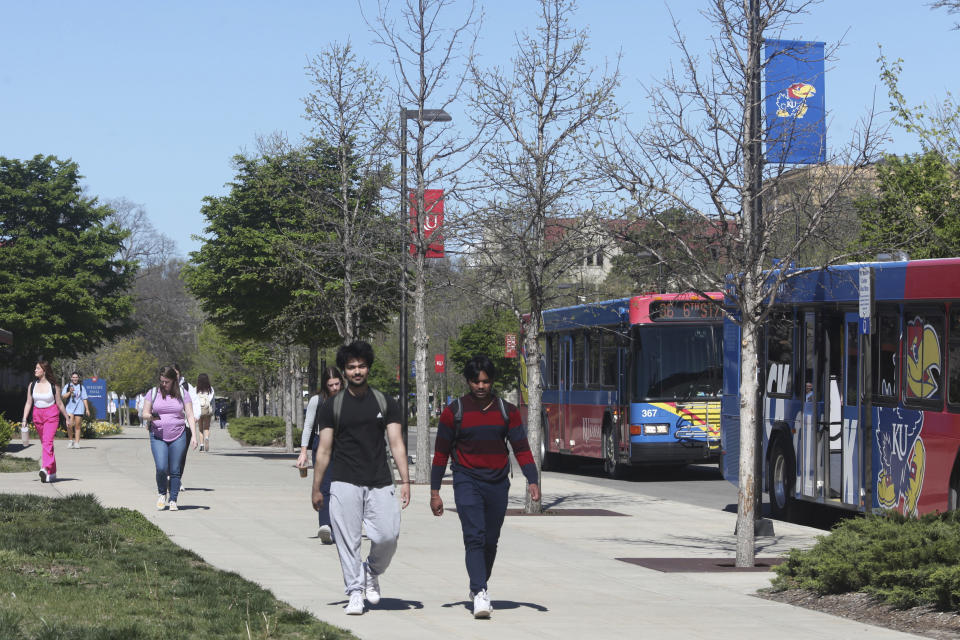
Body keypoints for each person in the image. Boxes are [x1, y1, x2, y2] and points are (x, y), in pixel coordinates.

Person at [430, 355, 540, 619]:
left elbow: (521, 448)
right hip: (466, 480)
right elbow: (441, 454)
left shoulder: (507, 411)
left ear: (492, 382)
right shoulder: (453, 412)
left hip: (497, 482)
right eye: (476, 381)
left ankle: (479, 582)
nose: (481, 386)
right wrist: (435, 492)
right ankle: (480, 591)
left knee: (490, 540)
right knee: (475, 537)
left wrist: (532, 479)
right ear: (468, 382)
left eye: (486, 381)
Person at [311, 341, 410, 616]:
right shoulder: (332, 407)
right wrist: (317, 487)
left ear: (368, 368)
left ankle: (371, 571)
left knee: (388, 535)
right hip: (344, 480)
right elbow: (324, 450)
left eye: (361, 366)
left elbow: (397, 443)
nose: (357, 371)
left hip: (380, 479)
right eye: (352, 367)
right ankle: (355, 591)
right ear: (344, 371)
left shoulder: (384, 401)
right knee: (347, 540)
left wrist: (405, 480)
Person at [141, 365, 199, 511]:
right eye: (162, 381)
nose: (164, 384)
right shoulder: (153, 393)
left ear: (174, 380)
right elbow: (144, 413)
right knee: (161, 467)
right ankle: (162, 494)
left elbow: (190, 415)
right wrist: (150, 416)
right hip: (157, 435)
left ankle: (173, 499)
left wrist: (194, 436)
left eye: (166, 382)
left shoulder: (183, 393)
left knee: (175, 469)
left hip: (178, 434)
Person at [296, 366, 343, 544]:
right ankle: (325, 525)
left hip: (343, 445)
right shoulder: (317, 400)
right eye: (331, 385)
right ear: (325, 385)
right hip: (321, 443)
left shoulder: (348, 399)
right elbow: (308, 426)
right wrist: (303, 452)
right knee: (324, 485)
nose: (335, 388)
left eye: (337, 384)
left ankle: (341, 525)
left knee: (343, 487)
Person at [20, 360, 69, 483]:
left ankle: (44, 468)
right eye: (35, 368)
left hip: (51, 415)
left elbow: (59, 403)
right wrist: (24, 418)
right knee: (46, 444)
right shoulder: (32, 385)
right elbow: (28, 403)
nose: (35, 370)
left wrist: (67, 418)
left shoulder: (54, 386)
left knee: (47, 442)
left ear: (44, 370)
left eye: (37, 368)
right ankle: (52, 473)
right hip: (37, 416)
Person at [60, 371, 91, 449]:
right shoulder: (67, 386)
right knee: (69, 425)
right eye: (73, 377)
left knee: (77, 426)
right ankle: (71, 441)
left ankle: (77, 442)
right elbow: (63, 397)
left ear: (78, 378)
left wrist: (87, 409)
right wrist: (70, 392)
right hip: (69, 409)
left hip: (79, 408)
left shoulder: (81, 387)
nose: (75, 379)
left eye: (76, 377)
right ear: (71, 378)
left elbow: (84, 398)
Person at [194, 373, 215, 452]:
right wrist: (213, 411)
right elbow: (213, 401)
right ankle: (206, 438)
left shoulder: (195, 389)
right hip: (207, 410)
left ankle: (202, 446)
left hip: (199, 411)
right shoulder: (211, 389)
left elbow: (193, 401)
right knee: (206, 427)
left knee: (200, 428)